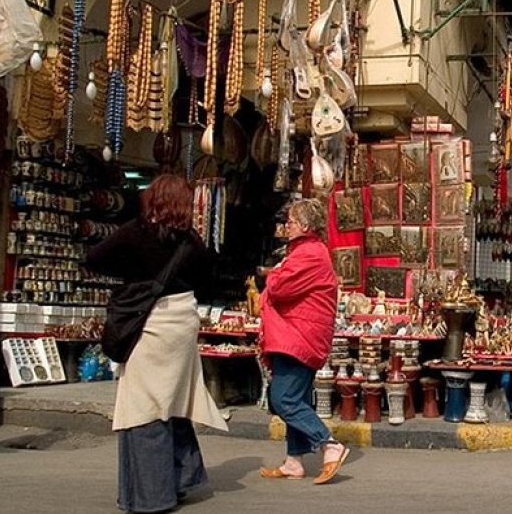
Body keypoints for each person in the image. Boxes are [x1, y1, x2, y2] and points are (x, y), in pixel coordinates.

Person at [86, 174, 227, 513]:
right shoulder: (191, 241)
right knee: (174, 402)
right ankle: (182, 478)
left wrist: (132, 275)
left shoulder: (136, 233)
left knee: (145, 407)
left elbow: (94, 259)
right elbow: (210, 277)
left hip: (149, 326)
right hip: (182, 324)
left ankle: (153, 494)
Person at [259, 198, 350, 483]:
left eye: (293, 222)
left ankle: (329, 444)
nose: (288, 226)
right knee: (296, 397)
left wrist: (273, 274)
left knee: (283, 399)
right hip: (299, 334)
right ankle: (294, 461)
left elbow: (278, 287)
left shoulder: (308, 253)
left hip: (298, 336)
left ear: (307, 226)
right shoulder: (309, 252)